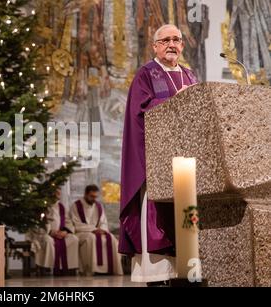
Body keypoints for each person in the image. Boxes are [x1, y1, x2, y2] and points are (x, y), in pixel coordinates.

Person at [119, 24, 198, 285]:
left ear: (182, 46)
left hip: (187, 162)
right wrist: (176, 101)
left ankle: (187, 271)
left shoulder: (190, 76)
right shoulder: (146, 74)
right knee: (156, 217)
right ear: (155, 46)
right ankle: (157, 276)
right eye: (165, 40)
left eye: (176, 39)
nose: (172, 44)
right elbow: (140, 112)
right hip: (156, 163)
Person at [70, 185, 123, 276]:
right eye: (91, 196)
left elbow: (103, 221)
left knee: (111, 238)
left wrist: (102, 230)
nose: (94, 199)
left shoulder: (98, 206)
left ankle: (112, 269)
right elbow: (76, 224)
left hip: (97, 231)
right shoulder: (76, 206)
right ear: (85, 194)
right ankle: (91, 270)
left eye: (95, 197)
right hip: (82, 232)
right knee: (91, 238)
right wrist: (94, 229)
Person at [31, 189, 79, 275]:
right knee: (48, 241)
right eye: (56, 192)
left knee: (74, 239)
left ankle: (68, 268)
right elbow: (36, 224)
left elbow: (68, 221)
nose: (58, 194)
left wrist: (65, 232)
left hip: (60, 233)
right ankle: (47, 268)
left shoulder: (61, 207)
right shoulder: (41, 206)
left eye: (59, 193)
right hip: (45, 233)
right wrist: (50, 232)